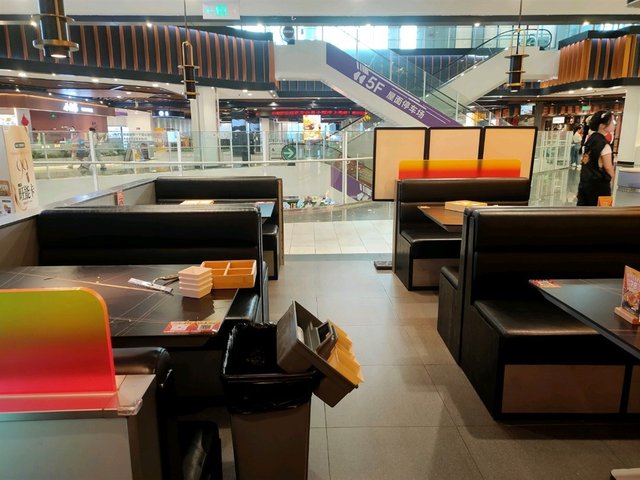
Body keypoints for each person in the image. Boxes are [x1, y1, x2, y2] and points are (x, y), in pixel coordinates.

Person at [576, 110, 616, 206]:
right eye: (611, 122)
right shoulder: (604, 144)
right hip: (599, 185)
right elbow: (608, 167)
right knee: (599, 212)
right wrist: (613, 179)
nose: (614, 124)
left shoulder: (591, 139)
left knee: (583, 210)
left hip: (585, 182)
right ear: (602, 125)